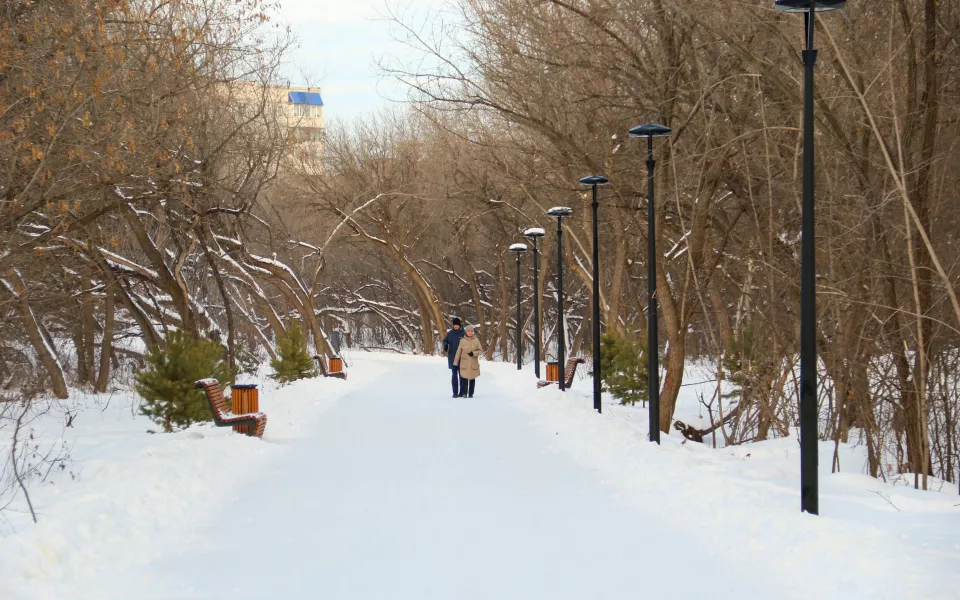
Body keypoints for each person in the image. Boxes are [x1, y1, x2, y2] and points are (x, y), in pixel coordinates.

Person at [453, 324, 483, 398]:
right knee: (464, 378)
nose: (470, 332)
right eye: (468, 331)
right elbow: (458, 352)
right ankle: (464, 393)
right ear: (466, 332)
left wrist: (474, 353)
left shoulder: (476, 340)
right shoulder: (462, 341)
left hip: (473, 363)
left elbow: (480, 350)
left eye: (471, 331)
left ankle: (471, 393)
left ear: (473, 332)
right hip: (464, 363)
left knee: (472, 379)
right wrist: (455, 363)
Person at [441, 317, 465, 397]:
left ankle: (462, 392)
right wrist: (445, 345)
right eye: (454, 325)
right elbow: (445, 340)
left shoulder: (464, 333)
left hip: (462, 357)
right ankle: (455, 392)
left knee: (462, 375)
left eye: (457, 325)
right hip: (452, 356)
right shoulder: (450, 333)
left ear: (459, 325)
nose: (456, 326)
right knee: (454, 374)